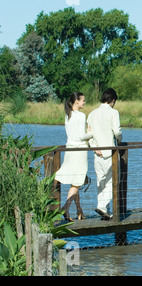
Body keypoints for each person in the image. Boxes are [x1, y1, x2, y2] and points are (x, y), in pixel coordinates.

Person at [55, 92, 92, 222]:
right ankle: (65, 208)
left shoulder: (68, 115)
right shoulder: (81, 116)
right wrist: (91, 132)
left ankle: (79, 210)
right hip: (79, 151)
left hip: (69, 149)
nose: (84, 103)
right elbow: (82, 136)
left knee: (75, 182)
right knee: (76, 183)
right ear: (76, 101)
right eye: (83, 100)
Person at [87, 88, 122, 220]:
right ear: (112, 100)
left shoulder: (92, 114)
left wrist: (94, 147)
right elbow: (117, 131)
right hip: (110, 152)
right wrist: (120, 140)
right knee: (112, 180)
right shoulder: (113, 113)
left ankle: (104, 209)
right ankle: (102, 207)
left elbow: (89, 134)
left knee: (100, 181)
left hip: (97, 153)